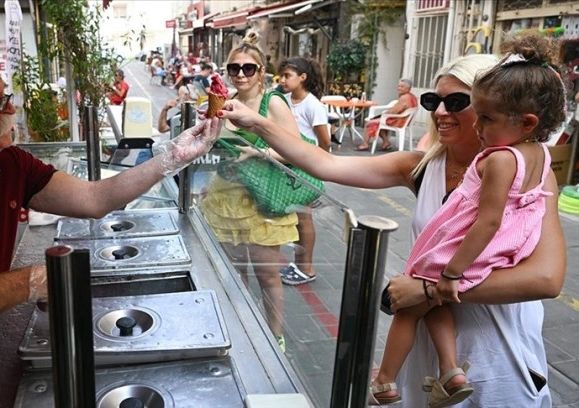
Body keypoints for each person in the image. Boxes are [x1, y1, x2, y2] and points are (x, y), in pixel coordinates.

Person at [0, 55, 221, 408]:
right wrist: (33, 281)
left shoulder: (6, 163)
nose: (11, 110)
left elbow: (94, 198)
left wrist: (173, 157)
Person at [217, 52, 565, 407]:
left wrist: (428, 290)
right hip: (431, 348)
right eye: (433, 101)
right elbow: (326, 163)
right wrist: (256, 122)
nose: (441, 112)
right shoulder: (423, 167)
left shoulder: (531, 175)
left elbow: (546, 279)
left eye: (457, 101)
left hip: (498, 349)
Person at [369, 32, 565, 407]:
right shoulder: (538, 155)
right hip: (496, 262)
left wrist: (448, 277)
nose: (474, 125)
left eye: (481, 115)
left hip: (497, 339)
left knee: (411, 307)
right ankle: (449, 369)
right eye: (434, 101)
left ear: (525, 122)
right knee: (430, 305)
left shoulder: (499, 160)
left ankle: (385, 379)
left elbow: (490, 224)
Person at [201, 30, 302, 352]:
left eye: (248, 68)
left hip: (262, 203)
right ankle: (243, 328)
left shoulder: (273, 102)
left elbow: (297, 149)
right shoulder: (225, 101)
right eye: (234, 68)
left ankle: (275, 337)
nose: (241, 74)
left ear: (262, 72)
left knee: (268, 276)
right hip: (224, 198)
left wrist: (261, 152)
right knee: (234, 273)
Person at [276, 57, 330, 285]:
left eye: (288, 75)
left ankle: (306, 268)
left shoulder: (313, 105)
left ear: (303, 77)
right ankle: (299, 263)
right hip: (287, 167)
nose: (283, 80)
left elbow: (324, 141)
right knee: (295, 218)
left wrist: (317, 168)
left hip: (304, 169)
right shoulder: (283, 100)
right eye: (282, 75)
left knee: (303, 218)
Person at [356, 78, 418, 151]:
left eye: (402, 87)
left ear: (408, 88)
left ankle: (365, 144)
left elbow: (394, 112)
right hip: (404, 120)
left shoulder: (404, 98)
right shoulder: (412, 97)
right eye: (398, 86)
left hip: (399, 121)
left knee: (370, 122)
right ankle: (386, 142)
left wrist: (384, 113)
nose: (399, 88)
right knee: (379, 121)